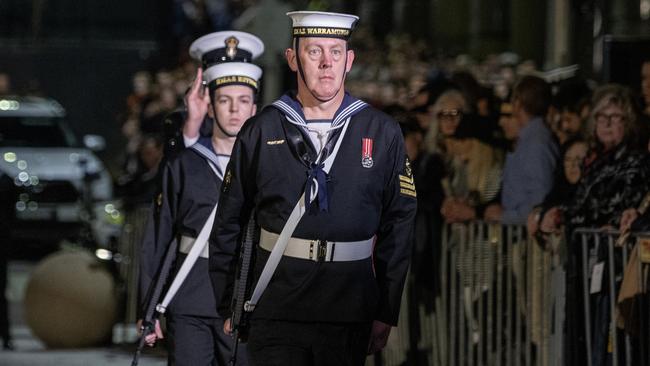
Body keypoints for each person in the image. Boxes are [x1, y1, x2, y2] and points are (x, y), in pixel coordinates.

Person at [208, 11, 417, 365]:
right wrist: (229, 299)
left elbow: (399, 222)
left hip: (350, 307)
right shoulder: (261, 130)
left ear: (349, 60)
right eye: (314, 51)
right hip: (276, 304)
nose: (325, 64)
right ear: (292, 58)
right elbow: (230, 219)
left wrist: (387, 306)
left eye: (336, 52)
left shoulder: (382, 131)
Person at [138, 30, 264, 366]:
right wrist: (148, 308)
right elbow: (159, 235)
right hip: (190, 296)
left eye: (243, 101)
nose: (234, 110)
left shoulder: (268, 166)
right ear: (209, 105)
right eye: (224, 100)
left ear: (255, 108)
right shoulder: (185, 164)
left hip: (245, 298)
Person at [484, 75, 559, 225]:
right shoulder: (529, 140)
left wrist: (506, 217)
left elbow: (539, 198)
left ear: (518, 104)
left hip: (526, 238)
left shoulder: (536, 144)